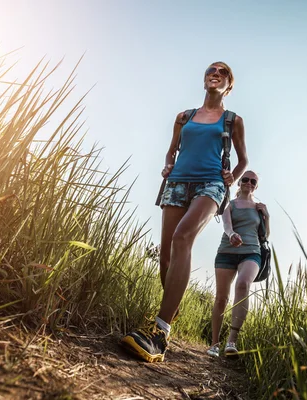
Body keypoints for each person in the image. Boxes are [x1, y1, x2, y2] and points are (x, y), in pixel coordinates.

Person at [121, 62, 249, 362]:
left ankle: (159, 334)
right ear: (205, 79)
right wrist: (167, 164)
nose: (215, 73)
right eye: (210, 70)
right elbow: (172, 150)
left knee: (182, 239)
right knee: (165, 255)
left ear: (228, 84)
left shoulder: (233, 120)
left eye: (222, 72)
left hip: (211, 184)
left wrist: (234, 175)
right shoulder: (185, 117)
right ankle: (170, 313)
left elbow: (243, 159)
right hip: (177, 182)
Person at [206, 170, 269, 358]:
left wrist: (267, 216)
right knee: (221, 298)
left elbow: (265, 236)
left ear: (256, 186)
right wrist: (232, 234)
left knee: (243, 285)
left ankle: (231, 341)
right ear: (239, 182)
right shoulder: (229, 204)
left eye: (253, 181)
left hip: (252, 252)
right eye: (245, 179)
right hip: (227, 251)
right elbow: (226, 225)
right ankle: (214, 344)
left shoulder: (259, 207)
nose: (248, 183)